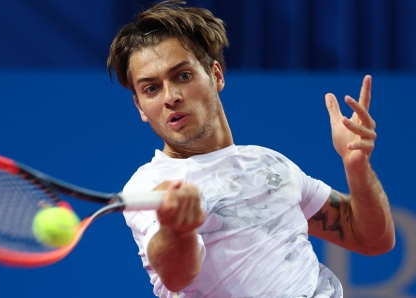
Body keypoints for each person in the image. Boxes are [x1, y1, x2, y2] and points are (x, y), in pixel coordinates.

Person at [106, 1, 395, 297]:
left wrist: (356, 166)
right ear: (140, 106)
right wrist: (175, 228)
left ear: (216, 75)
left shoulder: (270, 163)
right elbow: (177, 277)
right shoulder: (148, 186)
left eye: (183, 75)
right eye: (151, 89)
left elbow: (373, 239)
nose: (171, 97)